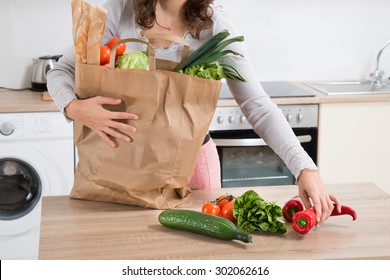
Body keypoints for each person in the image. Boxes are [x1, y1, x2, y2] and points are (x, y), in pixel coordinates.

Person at [47, 0, 340, 225]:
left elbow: (257, 106)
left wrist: (305, 167)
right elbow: (62, 71)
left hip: (190, 170)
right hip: (120, 166)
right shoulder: (120, 9)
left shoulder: (217, 29)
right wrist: (74, 108)